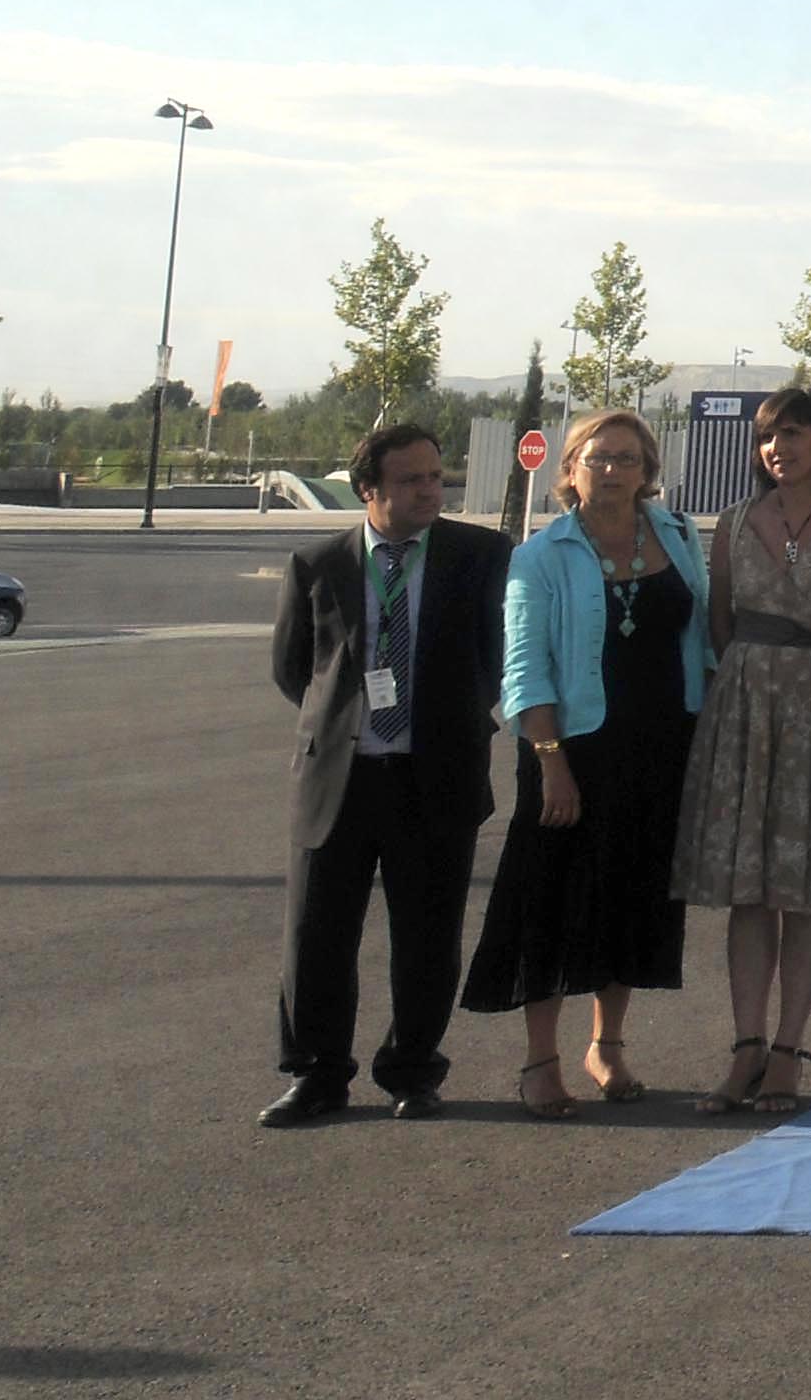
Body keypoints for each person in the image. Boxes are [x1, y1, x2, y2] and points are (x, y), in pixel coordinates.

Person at [265, 422, 511, 1125]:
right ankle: (316, 1076)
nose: (430, 489)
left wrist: (451, 717)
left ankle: (412, 1069)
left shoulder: (483, 555)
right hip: (339, 778)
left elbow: (497, 657)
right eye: (411, 479)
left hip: (434, 774)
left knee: (428, 937)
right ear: (369, 489)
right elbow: (295, 671)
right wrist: (343, 727)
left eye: (436, 476)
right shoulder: (318, 563)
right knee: (316, 937)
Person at [464, 409, 708, 1117]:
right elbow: (524, 672)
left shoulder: (679, 535)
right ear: (570, 469)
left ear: (648, 471)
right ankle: (540, 1060)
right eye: (598, 458)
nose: (613, 470)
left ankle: (608, 1046)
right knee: (549, 900)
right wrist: (551, 762)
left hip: (662, 747)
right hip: (571, 754)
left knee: (633, 896)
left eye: (628, 459)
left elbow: (703, 631)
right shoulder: (541, 555)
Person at [671, 387, 811, 1119]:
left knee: (805, 888)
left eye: (793, 435)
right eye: (768, 437)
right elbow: (722, 624)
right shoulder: (733, 522)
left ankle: (790, 1050)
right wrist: (760, 685)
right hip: (744, 714)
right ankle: (745, 1048)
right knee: (750, 887)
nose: (779, 449)